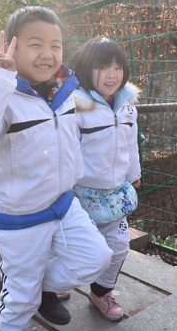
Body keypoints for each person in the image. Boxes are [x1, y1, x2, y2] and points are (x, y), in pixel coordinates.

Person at [0, 6, 112, 330]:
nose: (47, 54)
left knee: (97, 259)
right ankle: (25, 293)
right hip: (20, 217)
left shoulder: (63, 89)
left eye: (55, 45)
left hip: (63, 205)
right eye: (35, 44)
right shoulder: (0, 95)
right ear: (11, 46)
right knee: (20, 302)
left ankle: (38, 286)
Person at [68, 37, 141, 322]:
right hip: (80, 193)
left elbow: (131, 145)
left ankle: (101, 292)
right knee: (72, 245)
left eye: (117, 67)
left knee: (119, 244)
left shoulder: (127, 107)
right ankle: (56, 284)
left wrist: (134, 175)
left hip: (115, 193)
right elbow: (68, 151)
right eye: (102, 68)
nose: (112, 75)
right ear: (86, 69)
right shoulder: (77, 108)